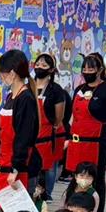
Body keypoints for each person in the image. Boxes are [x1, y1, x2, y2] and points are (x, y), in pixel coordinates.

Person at [65, 52, 106, 212]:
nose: (87, 72)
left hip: (97, 141)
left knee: (96, 177)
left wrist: (98, 128)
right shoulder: (79, 90)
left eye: (91, 69)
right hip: (77, 140)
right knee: (76, 177)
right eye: (84, 69)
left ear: (100, 70)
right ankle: (71, 210)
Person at [0, 48, 40, 197]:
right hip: (4, 163)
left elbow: (23, 137)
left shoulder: (25, 99)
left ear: (12, 74)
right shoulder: (10, 97)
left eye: (2, 73)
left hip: (18, 169)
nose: (0, 77)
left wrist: (15, 169)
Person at [33, 53, 67, 199]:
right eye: (37, 64)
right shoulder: (28, 86)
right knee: (32, 166)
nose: (39, 67)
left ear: (51, 70)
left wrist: (51, 127)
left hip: (50, 134)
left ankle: (47, 194)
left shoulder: (56, 90)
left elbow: (59, 117)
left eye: (44, 65)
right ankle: (34, 193)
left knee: (49, 167)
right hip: (32, 134)